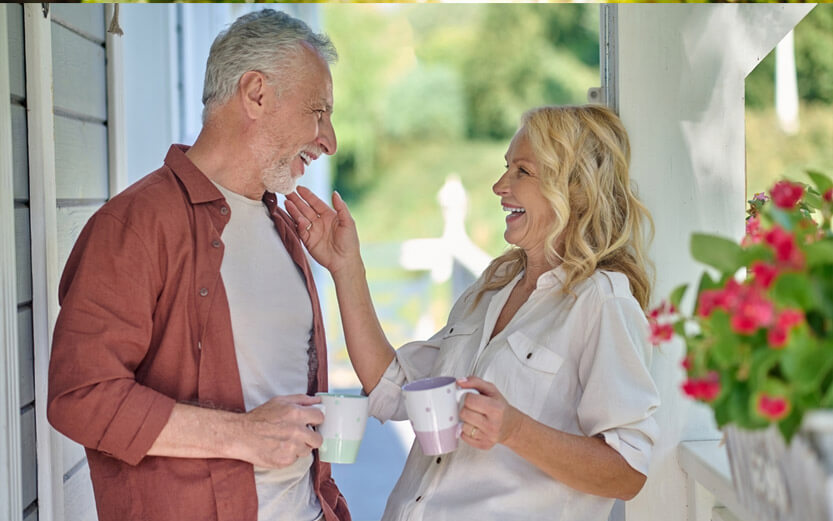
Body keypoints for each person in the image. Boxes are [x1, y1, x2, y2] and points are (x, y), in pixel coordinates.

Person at [285, 104, 660, 521]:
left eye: (522, 171)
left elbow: (628, 471)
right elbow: (392, 385)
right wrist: (346, 266)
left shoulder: (603, 302)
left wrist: (515, 430)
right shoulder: (493, 286)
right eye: (506, 168)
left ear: (574, 189)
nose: (500, 185)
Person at [47, 9, 350, 521]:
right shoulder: (135, 225)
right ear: (255, 93)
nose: (328, 139)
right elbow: (80, 395)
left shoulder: (286, 228)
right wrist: (241, 435)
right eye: (318, 111)